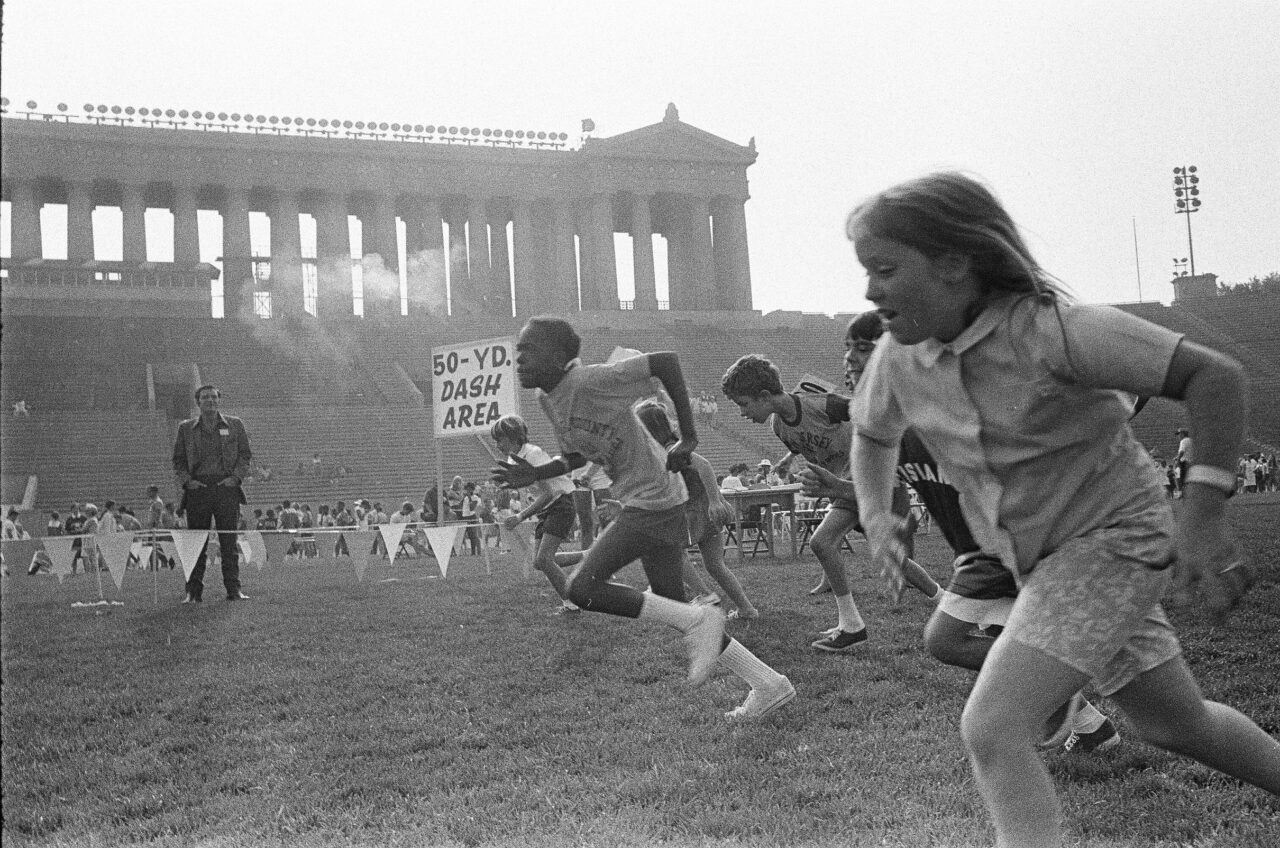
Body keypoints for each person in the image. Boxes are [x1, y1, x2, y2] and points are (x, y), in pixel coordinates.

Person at [844, 171, 1277, 847]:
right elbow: (872, 436)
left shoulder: (1052, 331)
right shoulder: (898, 359)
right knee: (1173, 724)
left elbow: (1214, 376)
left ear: (956, 264)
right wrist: (877, 514)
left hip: (1117, 539)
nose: (870, 290)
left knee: (993, 727)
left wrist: (1203, 514)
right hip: (1042, 566)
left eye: (885, 269)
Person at [803, 311, 1119, 753]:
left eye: (863, 347)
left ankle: (1058, 687)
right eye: (847, 347)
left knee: (945, 639)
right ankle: (1090, 724)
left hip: (1016, 540)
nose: (849, 358)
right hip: (976, 551)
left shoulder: (946, 403)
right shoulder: (886, 420)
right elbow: (886, 493)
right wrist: (840, 491)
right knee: (984, 639)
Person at [493, 316, 794, 720]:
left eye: (528, 349)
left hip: (653, 497)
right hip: (651, 498)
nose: (519, 358)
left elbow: (666, 362)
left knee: (582, 589)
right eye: (518, 350)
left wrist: (689, 437)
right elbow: (576, 455)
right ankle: (768, 682)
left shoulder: (590, 380)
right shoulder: (549, 400)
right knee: (675, 607)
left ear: (560, 356)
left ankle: (705, 619)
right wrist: (537, 473)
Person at [721, 353, 940, 652]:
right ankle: (946, 600)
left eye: (743, 404)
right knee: (892, 555)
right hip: (847, 485)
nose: (742, 413)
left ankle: (852, 625)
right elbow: (816, 455)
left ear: (763, 395)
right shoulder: (778, 428)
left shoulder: (823, 406)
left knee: (822, 542)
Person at [636, 400, 760, 620]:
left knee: (670, 553)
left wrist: (715, 500)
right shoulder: (667, 448)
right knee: (715, 565)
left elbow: (703, 465)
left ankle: (704, 595)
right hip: (703, 509)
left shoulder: (670, 449)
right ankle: (746, 608)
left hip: (695, 510)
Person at [491, 414, 581, 615]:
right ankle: (588, 557)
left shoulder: (532, 454)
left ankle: (572, 603)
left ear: (514, 437)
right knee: (538, 562)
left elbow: (549, 492)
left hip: (560, 502)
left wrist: (520, 516)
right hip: (549, 507)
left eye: (500, 439)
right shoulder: (514, 458)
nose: (497, 445)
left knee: (545, 560)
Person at [172, 384, 251, 602]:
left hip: (226, 487)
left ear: (219, 400)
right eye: (205, 397)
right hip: (199, 489)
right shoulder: (186, 428)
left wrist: (235, 478)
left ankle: (234, 590)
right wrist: (188, 482)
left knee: (229, 542)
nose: (210, 401)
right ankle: (193, 593)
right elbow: (178, 460)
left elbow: (245, 455)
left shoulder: (234, 425)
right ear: (198, 402)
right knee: (197, 543)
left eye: (214, 397)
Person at [1174, 427, 1193, 495]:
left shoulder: (1183, 441)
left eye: (1179, 434)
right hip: (1191, 462)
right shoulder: (1191, 440)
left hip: (1184, 463)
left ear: (1182, 434)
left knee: (1177, 474)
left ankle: (1180, 491)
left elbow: (1182, 452)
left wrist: (1177, 461)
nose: (1178, 436)